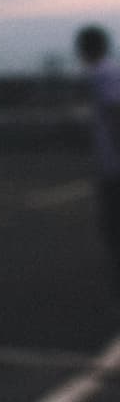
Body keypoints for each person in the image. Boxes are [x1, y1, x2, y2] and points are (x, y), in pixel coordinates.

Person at [73, 24, 120, 297]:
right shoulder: (108, 71)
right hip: (110, 164)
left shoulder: (103, 73)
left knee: (112, 226)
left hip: (113, 166)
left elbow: (115, 112)